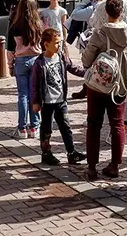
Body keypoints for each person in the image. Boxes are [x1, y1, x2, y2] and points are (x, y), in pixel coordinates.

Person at [82, 0, 127, 180]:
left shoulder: (100, 33)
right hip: (119, 85)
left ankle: (91, 167)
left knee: (94, 124)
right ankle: (114, 165)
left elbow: (87, 59)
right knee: (118, 124)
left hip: (98, 85)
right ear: (121, 11)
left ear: (106, 11)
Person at [31, 28, 87, 166]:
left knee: (66, 126)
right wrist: (35, 102)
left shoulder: (61, 57)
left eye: (60, 42)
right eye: (56, 43)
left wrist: (88, 73)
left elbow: (74, 68)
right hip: (47, 102)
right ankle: (46, 153)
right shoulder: (39, 63)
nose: (59, 46)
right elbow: (34, 84)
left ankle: (71, 152)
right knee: (47, 128)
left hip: (61, 100)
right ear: (46, 44)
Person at [8, 0, 43, 139]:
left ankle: (22, 128)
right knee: (34, 94)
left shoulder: (14, 26)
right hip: (35, 59)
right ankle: (34, 127)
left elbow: (10, 49)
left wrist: (10, 65)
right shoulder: (38, 25)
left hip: (21, 61)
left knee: (23, 95)